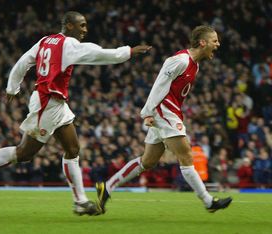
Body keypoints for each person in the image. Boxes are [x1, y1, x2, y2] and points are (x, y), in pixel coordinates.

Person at [0, 11, 151, 216]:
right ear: (69, 25)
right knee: (24, 153)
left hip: (55, 102)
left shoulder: (45, 41)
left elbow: (23, 62)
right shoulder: (69, 45)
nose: (85, 30)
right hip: (47, 102)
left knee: (73, 149)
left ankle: (80, 201)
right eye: (82, 25)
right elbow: (99, 54)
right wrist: (128, 52)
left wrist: (12, 88)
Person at [96, 25, 232, 213]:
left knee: (148, 161)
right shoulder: (180, 60)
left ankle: (107, 187)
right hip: (163, 111)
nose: (218, 44)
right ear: (203, 42)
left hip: (168, 111)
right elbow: (159, 84)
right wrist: (148, 112)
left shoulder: (195, 65)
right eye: (214, 40)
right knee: (186, 155)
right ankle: (209, 202)